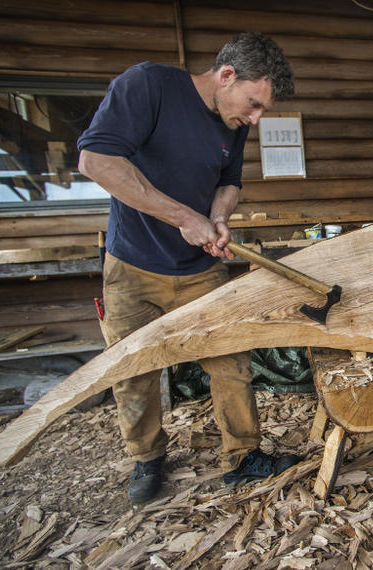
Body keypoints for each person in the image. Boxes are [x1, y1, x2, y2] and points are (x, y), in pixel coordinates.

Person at [77, 32, 298, 504]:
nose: (255, 120)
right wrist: (183, 217)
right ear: (225, 75)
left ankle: (242, 457)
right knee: (132, 372)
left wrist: (218, 218)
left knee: (231, 363)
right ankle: (147, 458)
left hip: (200, 269)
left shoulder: (232, 122)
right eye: (254, 104)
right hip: (133, 265)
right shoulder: (148, 86)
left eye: (261, 112)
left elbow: (229, 182)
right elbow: (95, 161)